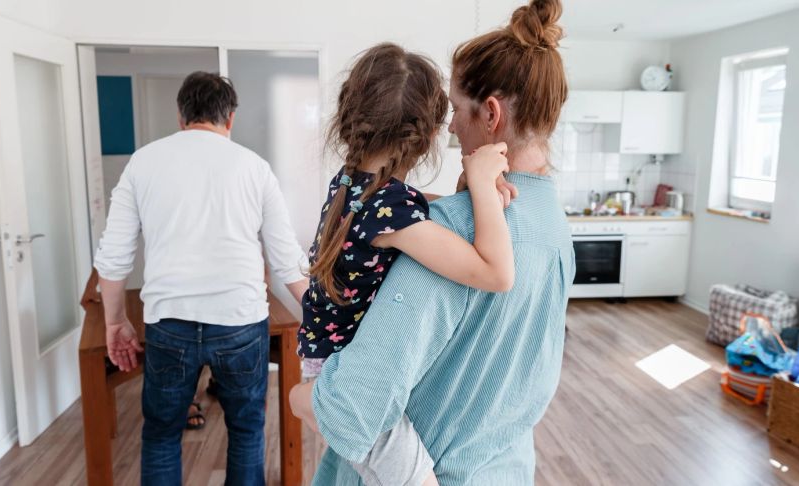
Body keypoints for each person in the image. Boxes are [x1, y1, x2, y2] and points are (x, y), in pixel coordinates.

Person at [289, 1, 574, 484]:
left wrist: (299, 399)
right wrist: (478, 191)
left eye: (457, 112)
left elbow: (353, 406)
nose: (452, 128)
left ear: (491, 114)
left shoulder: (422, 216)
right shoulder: (554, 224)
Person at [94, 71, 308, 486]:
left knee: (161, 434)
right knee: (246, 431)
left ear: (181, 116)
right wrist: (323, 319)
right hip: (240, 321)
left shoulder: (144, 162)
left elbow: (113, 258)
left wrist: (115, 321)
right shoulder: (254, 167)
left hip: (169, 322)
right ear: (230, 118)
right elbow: (287, 260)